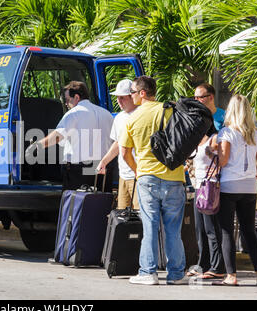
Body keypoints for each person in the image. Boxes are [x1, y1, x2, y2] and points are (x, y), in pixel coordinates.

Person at [119, 76, 187, 285]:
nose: (130, 95)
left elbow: (124, 152)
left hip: (147, 177)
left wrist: (139, 171)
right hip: (175, 177)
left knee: (149, 226)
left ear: (142, 93)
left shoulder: (132, 118)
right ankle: (176, 274)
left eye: (132, 91)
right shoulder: (169, 110)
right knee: (173, 229)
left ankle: (148, 272)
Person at [213, 94, 257, 286]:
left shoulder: (226, 132)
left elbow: (223, 160)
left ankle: (231, 276)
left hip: (229, 186)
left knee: (228, 231)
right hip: (249, 187)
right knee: (249, 230)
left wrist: (213, 151)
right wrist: (253, 175)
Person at [25, 81, 114, 191]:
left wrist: (37, 145)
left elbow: (58, 136)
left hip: (79, 172)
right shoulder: (107, 114)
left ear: (76, 97)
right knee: (102, 204)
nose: (66, 104)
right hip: (103, 169)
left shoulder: (74, 113)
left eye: (67, 100)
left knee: (76, 205)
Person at [186, 84, 226, 279]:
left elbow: (222, 153)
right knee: (200, 228)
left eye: (200, 97)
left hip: (212, 183)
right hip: (198, 182)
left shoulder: (221, 120)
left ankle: (217, 266)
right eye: (194, 98)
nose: (196, 101)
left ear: (210, 97)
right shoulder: (198, 129)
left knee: (212, 227)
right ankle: (203, 263)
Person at [96, 79, 139, 209]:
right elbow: (118, 143)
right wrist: (104, 162)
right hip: (123, 175)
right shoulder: (119, 117)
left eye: (122, 98)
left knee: (140, 215)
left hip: (138, 175)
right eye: (117, 98)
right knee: (121, 215)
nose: (118, 101)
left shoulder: (141, 115)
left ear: (132, 96)